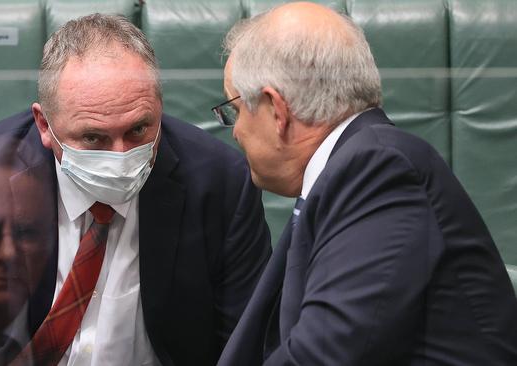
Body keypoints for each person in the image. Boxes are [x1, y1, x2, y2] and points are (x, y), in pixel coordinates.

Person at [0, 14, 271, 366]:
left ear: (158, 105)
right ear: (44, 125)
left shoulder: (221, 181)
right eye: (93, 136)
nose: (122, 155)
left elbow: (249, 346)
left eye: (139, 129)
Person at [215, 2, 517, 365]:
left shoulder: (377, 169)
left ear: (276, 110)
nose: (235, 131)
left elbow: (322, 353)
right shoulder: (353, 168)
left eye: (235, 109)